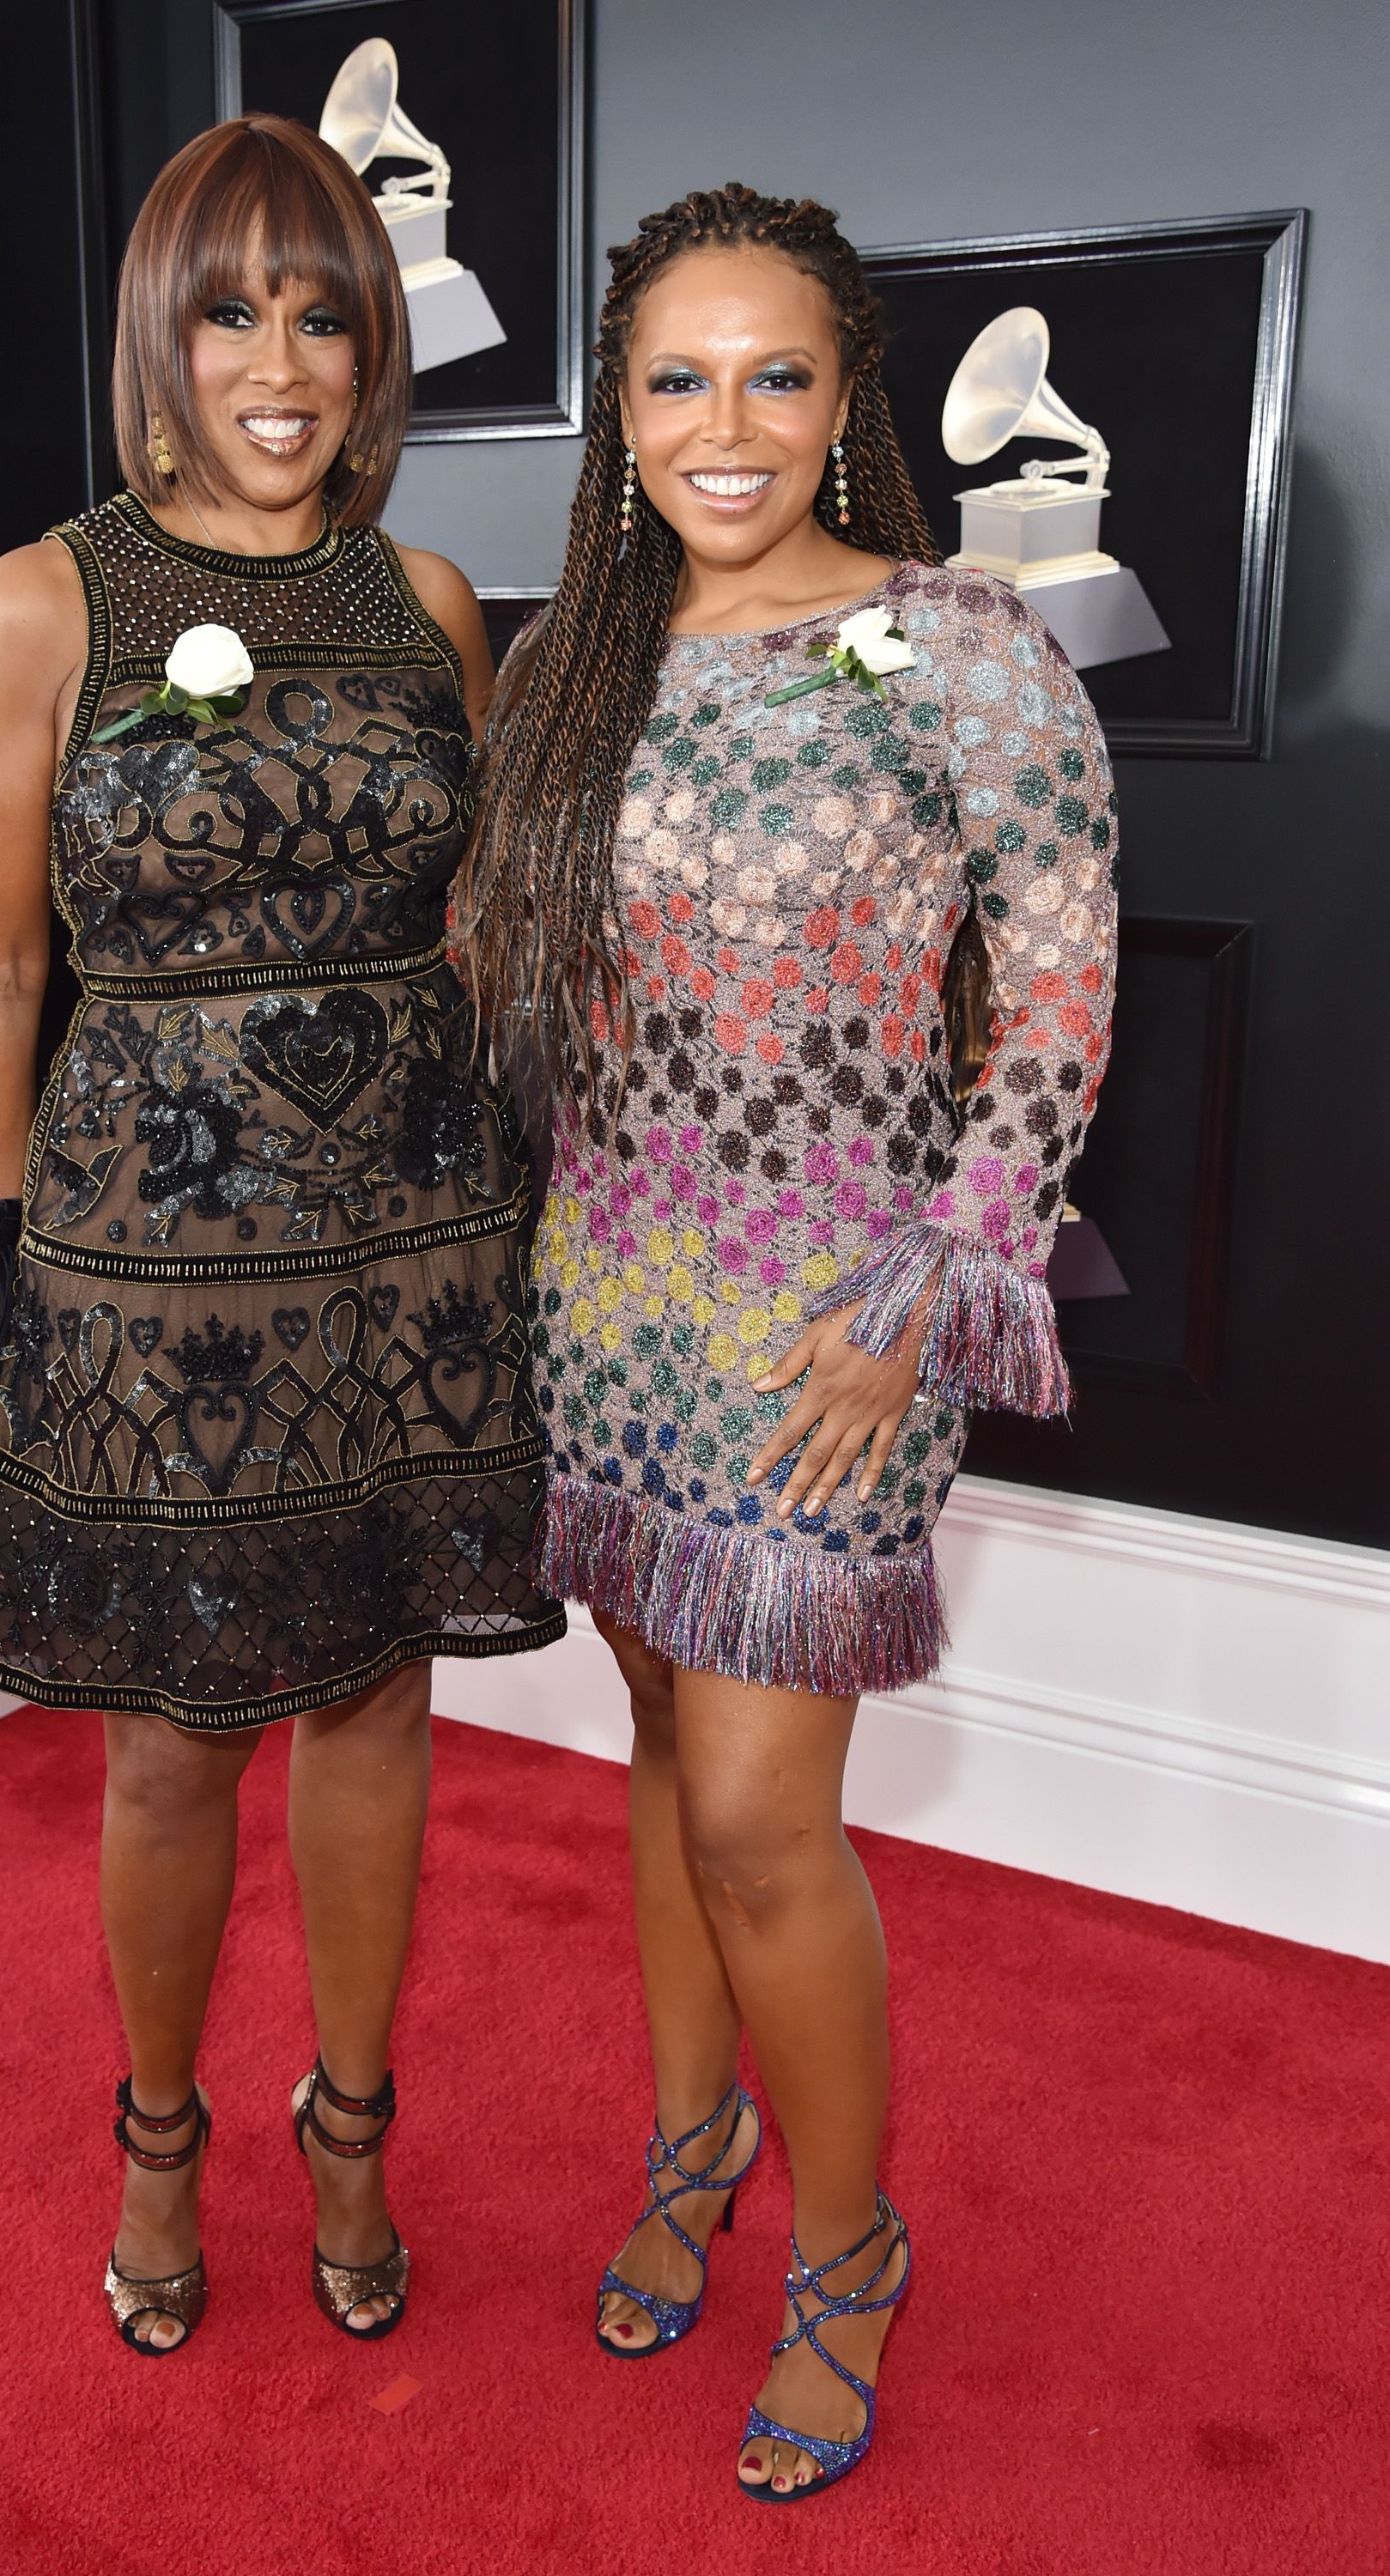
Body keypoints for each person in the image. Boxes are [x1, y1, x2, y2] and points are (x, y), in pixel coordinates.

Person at [458, 182, 1116, 2497]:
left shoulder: (964, 645)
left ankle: (849, 2248)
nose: (719, 425)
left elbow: (1052, 987)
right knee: (656, 1742)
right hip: (608, 1293)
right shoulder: (571, 668)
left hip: (839, 1309)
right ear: (617, 408)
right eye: (672, 376)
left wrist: (938, 1288)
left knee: (761, 1806)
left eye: (773, 375)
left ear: (845, 401)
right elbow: (527, 989)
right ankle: (690, 2138)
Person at [0, 114, 564, 2354]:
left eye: (320, 308)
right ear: (161, 337)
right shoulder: (50, 599)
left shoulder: (428, 608)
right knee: (175, 1734)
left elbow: (475, 949)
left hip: (402, 1262)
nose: (279, 357)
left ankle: (357, 2125)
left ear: (371, 341)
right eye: (230, 307)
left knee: (379, 1705)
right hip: (148, 1277)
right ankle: (160, 2135)